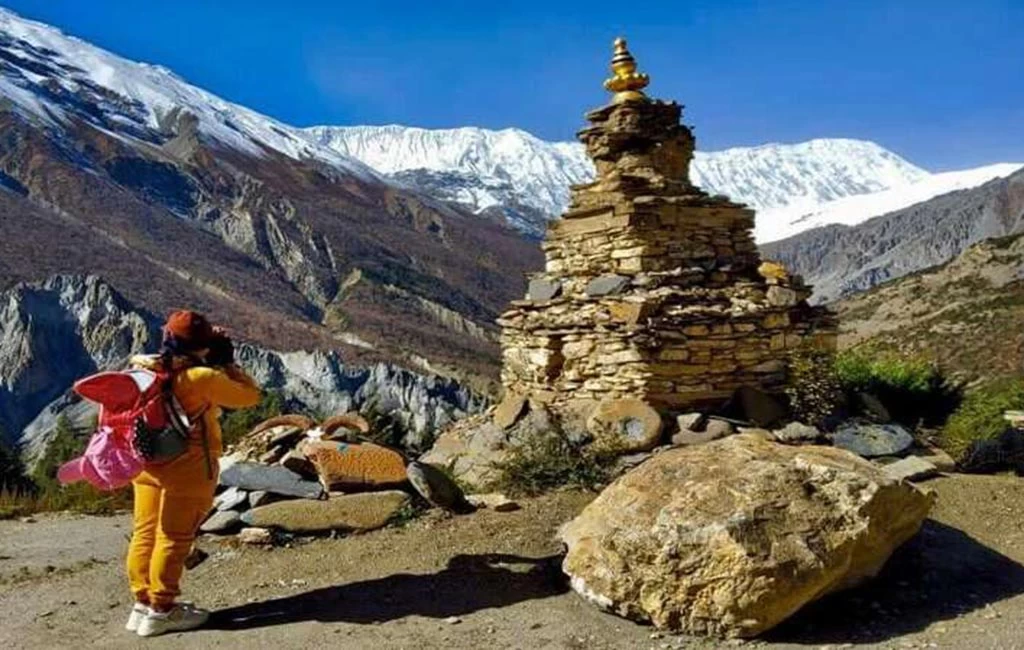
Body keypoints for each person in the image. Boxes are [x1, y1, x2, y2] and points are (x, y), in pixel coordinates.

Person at [124, 310, 261, 638]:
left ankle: (142, 603)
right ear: (201, 346)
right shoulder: (200, 378)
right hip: (187, 468)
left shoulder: (141, 368)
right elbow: (249, 397)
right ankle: (162, 609)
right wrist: (227, 362)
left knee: (145, 533)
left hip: (145, 465)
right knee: (174, 537)